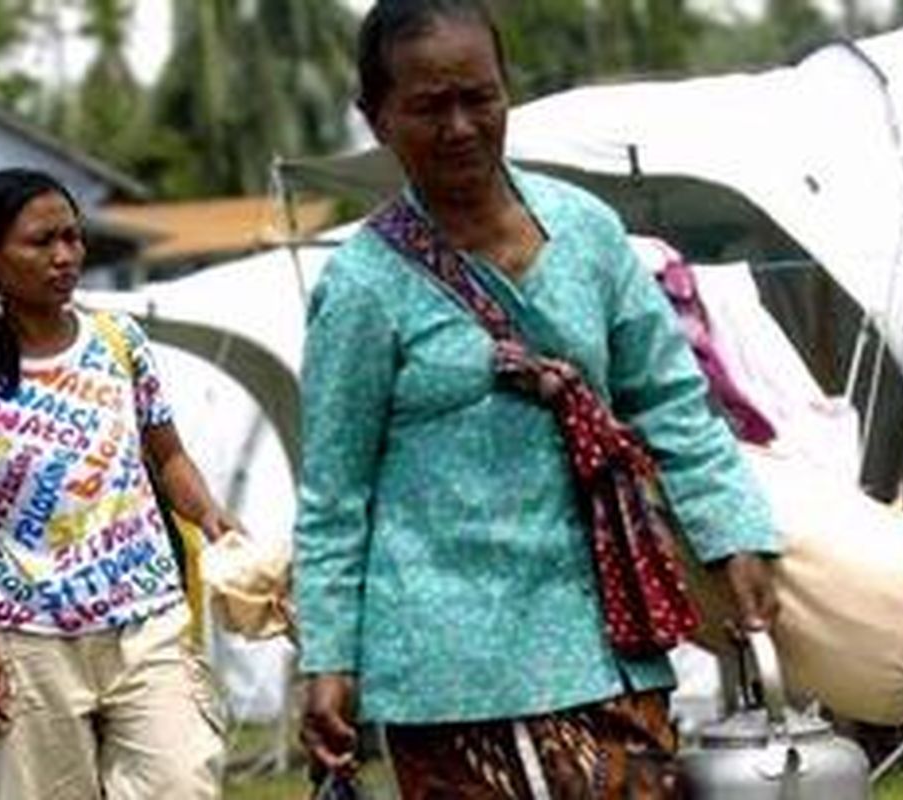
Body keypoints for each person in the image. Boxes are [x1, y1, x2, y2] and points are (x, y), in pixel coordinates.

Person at [294, 2, 780, 798]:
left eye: (478, 98)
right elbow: (334, 493)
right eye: (426, 107)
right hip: (448, 664)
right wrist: (330, 659)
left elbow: (672, 401)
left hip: (604, 632)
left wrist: (732, 536)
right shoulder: (362, 285)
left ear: (506, 93)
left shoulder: (586, 232)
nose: (459, 127)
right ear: (375, 119)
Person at [0, 168, 230, 799]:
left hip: (146, 624)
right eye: (42, 242)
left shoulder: (121, 343)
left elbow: (168, 457)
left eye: (72, 237)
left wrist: (214, 520)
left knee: (181, 783)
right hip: (31, 643)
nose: (65, 256)